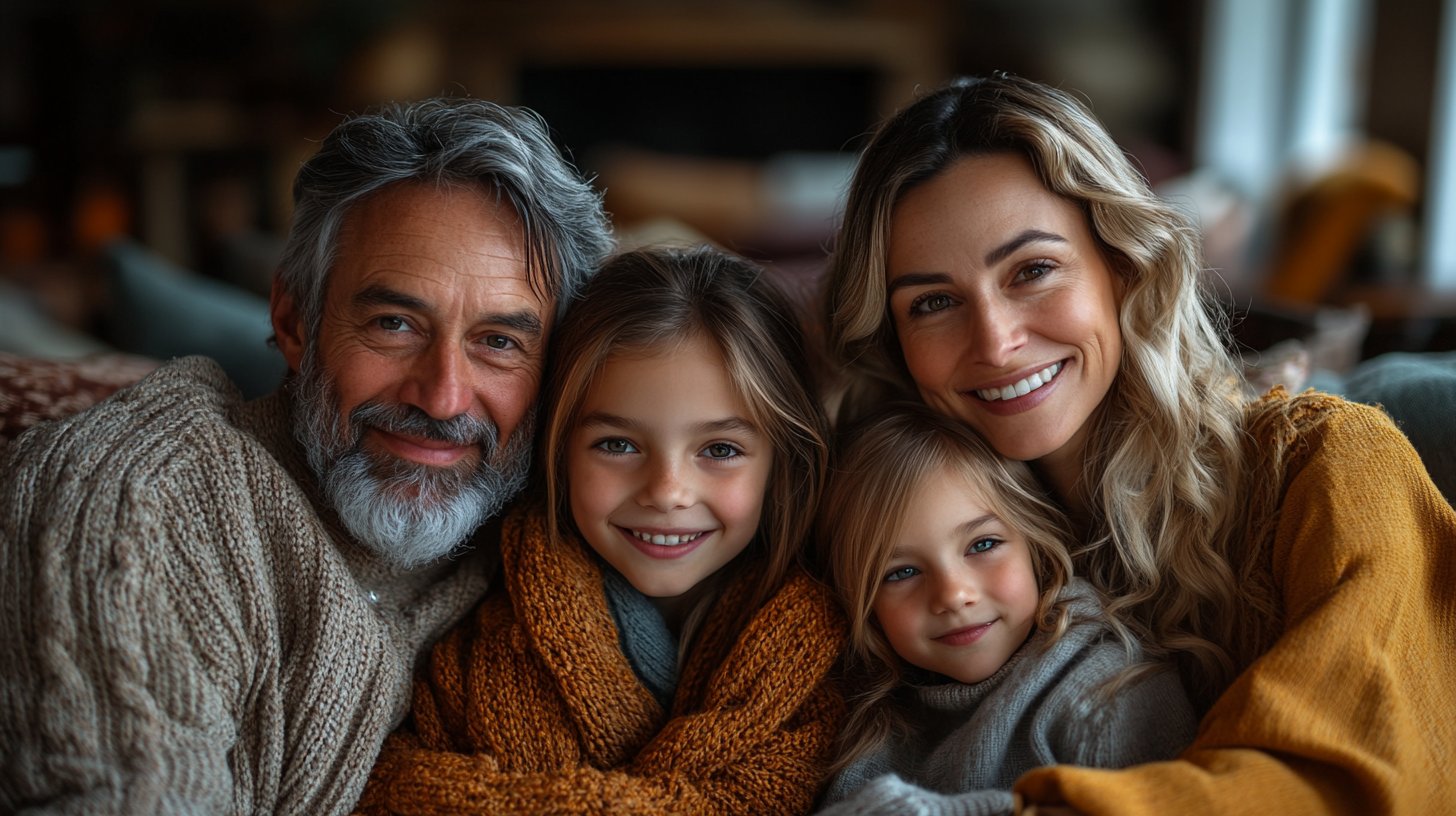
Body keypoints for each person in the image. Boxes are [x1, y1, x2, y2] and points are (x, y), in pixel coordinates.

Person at [821, 74, 1456, 815]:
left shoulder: (1336, 466)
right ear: (894, 344)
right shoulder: (888, 544)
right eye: (932, 303)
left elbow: (1349, 782)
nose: (996, 342)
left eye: (1032, 270)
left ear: (1121, 266)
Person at [0, 98, 611, 814]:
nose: (444, 398)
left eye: (499, 343)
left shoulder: (577, 518)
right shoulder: (135, 509)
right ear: (294, 322)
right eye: (395, 324)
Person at [355, 244, 846, 814]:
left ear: (783, 462)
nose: (666, 491)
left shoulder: (833, 648)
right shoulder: (475, 638)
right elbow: (387, 788)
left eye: (719, 449)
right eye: (617, 444)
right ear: (558, 451)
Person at [815, 403, 1194, 816]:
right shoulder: (868, 725)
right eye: (902, 572)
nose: (953, 595)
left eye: (982, 545)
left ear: (1036, 543)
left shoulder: (1108, 697)